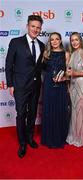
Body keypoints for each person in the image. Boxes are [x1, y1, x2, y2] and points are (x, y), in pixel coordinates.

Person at [5, 15, 45, 158]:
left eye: (38, 27)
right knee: (21, 114)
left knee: (32, 113)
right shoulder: (16, 42)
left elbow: (42, 66)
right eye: (33, 26)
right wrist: (10, 83)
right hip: (20, 86)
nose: (35, 29)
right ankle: (22, 143)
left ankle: (29, 137)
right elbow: (8, 64)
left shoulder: (42, 45)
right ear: (27, 26)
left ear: (41, 29)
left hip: (35, 85)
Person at [41, 32, 70, 148]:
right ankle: (49, 137)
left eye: (56, 39)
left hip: (61, 85)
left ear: (60, 40)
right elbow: (42, 69)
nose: (54, 41)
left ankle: (61, 136)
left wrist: (64, 78)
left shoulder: (66, 54)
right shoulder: (46, 53)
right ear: (49, 41)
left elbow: (69, 72)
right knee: (49, 108)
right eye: (52, 39)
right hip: (48, 84)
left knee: (60, 109)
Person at [66, 32, 83, 147]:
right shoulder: (72, 54)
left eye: (76, 40)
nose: (74, 42)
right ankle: (74, 136)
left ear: (80, 41)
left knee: (81, 111)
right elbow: (69, 73)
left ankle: (81, 139)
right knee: (75, 111)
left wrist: (76, 73)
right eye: (72, 40)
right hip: (73, 85)